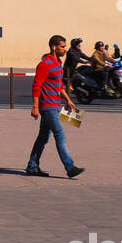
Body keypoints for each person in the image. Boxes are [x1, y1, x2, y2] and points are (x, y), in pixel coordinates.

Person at [26, 35, 84, 178]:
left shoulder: (57, 63)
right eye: (62, 47)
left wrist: (67, 100)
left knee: (43, 137)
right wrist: (35, 107)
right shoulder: (44, 64)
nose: (65, 49)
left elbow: (59, 85)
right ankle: (70, 167)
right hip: (47, 107)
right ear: (54, 47)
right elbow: (36, 86)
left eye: (65, 46)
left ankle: (32, 166)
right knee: (60, 134)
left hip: (56, 105)